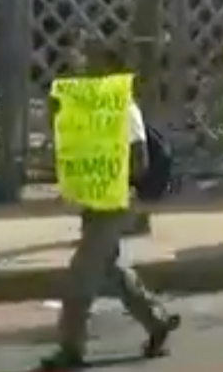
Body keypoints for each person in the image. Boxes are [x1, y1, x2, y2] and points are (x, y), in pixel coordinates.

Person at [38, 33, 180, 371]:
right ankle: (156, 321)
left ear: (112, 67)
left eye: (95, 62)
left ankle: (70, 347)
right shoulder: (85, 104)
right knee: (109, 271)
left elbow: (139, 159)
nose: (88, 69)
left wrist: (117, 181)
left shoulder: (123, 108)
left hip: (114, 204)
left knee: (80, 275)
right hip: (94, 201)